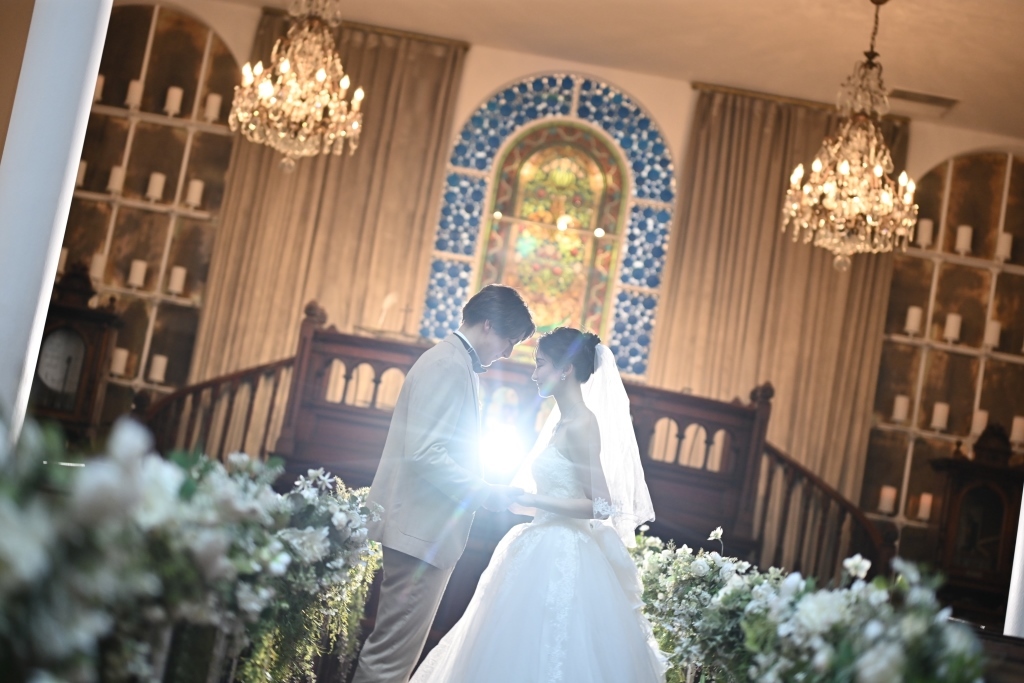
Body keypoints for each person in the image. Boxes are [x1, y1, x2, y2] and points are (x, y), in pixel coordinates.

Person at [410, 327, 666, 683]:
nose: (533, 374)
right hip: (538, 538)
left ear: (566, 369)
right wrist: (522, 504)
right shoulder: (561, 421)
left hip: (564, 550)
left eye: (540, 363)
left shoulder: (582, 424)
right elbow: (563, 491)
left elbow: (601, 505)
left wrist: (532, 498)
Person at [352, 285, 535, 683]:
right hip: (419, 536)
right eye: (509, 340)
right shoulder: (448, 364)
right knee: (389, 661)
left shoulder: (454, 362)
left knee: (393, 657)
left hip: (422, 533)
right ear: (489, 325)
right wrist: (486, 492)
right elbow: (424, 454)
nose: (508, 353)